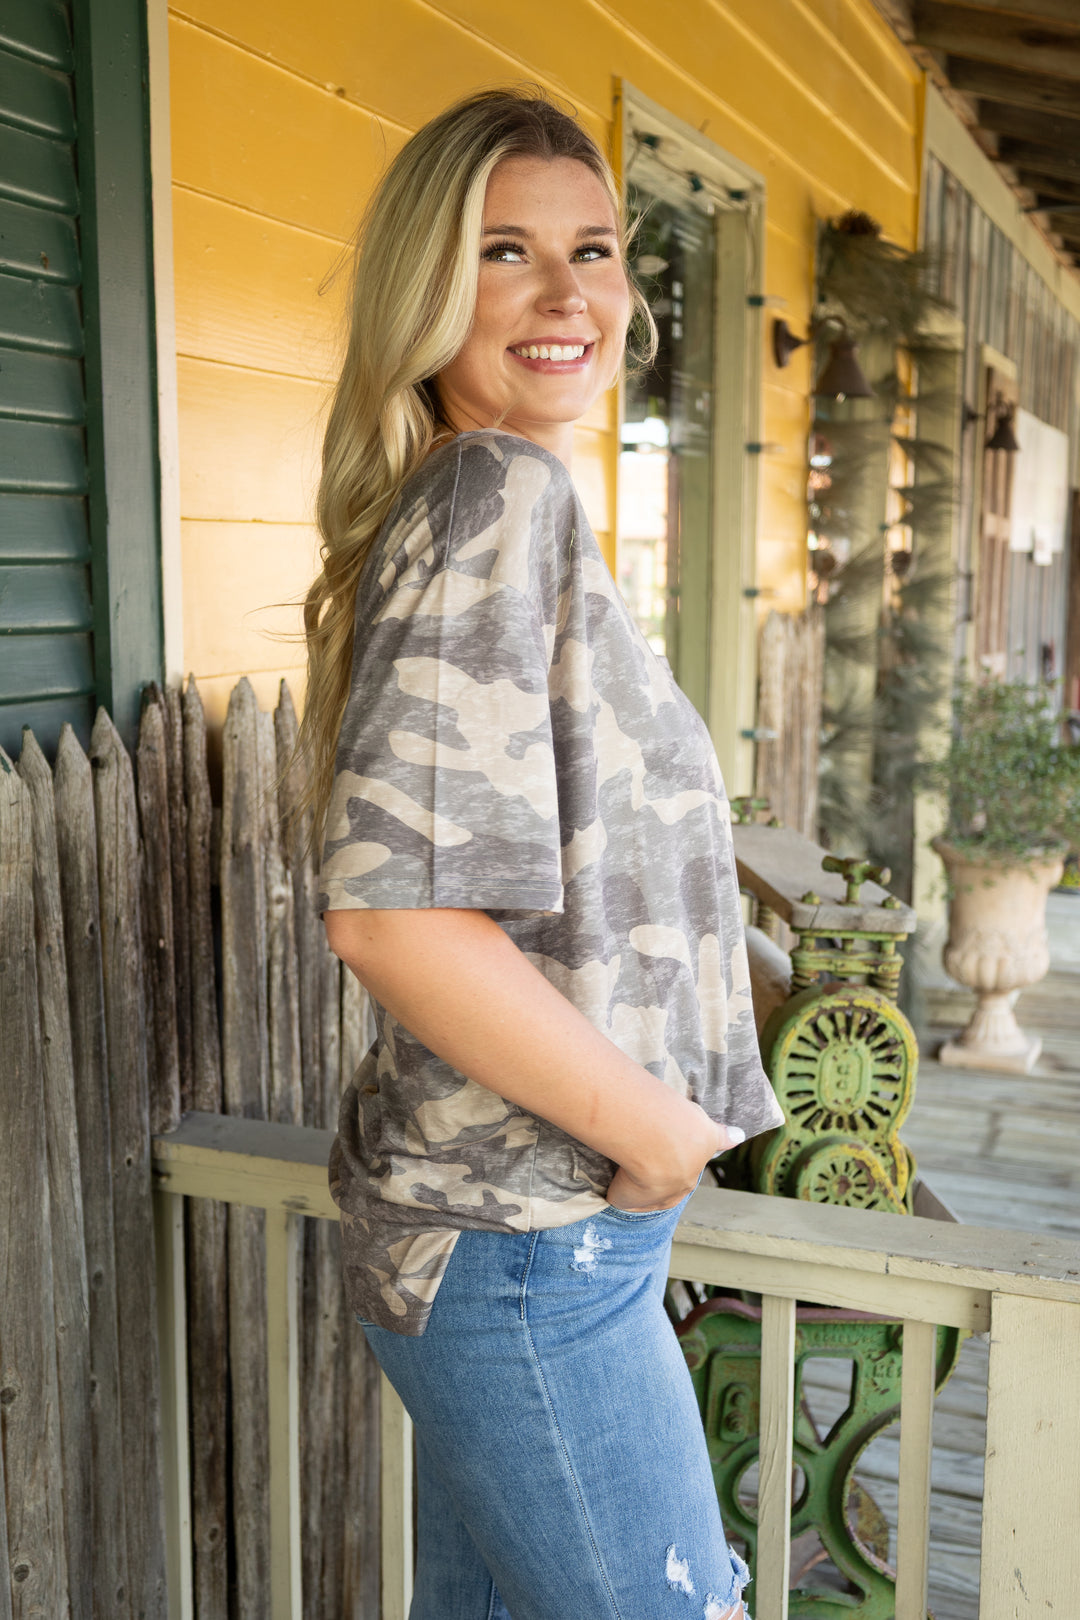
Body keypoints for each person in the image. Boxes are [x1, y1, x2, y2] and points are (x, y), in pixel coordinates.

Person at [300, 84, 785, 1620]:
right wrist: (657, 1136)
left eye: (595, 249)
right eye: (506, 252)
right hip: (530, 1242)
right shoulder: (494, 495)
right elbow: (396, 920)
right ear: (427, 290)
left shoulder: (494, 499)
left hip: (514, 1238)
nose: (569, 294)